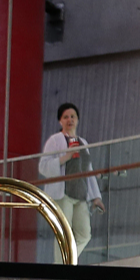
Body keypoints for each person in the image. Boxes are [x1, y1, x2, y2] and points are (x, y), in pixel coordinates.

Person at [38, 102, 105, 256]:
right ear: (60, 121)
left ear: (78, 119)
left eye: (73, 116)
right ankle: (63, 267)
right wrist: (65, 157)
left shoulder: (83, 142)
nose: (70, 120)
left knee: (84, 234)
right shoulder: (55, 140)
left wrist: (96, 197)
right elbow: (43, 167)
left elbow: (88, 170)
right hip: (64, 195)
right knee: (63, 235)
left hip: (81, 195)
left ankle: (65, 263)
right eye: (66, 117)